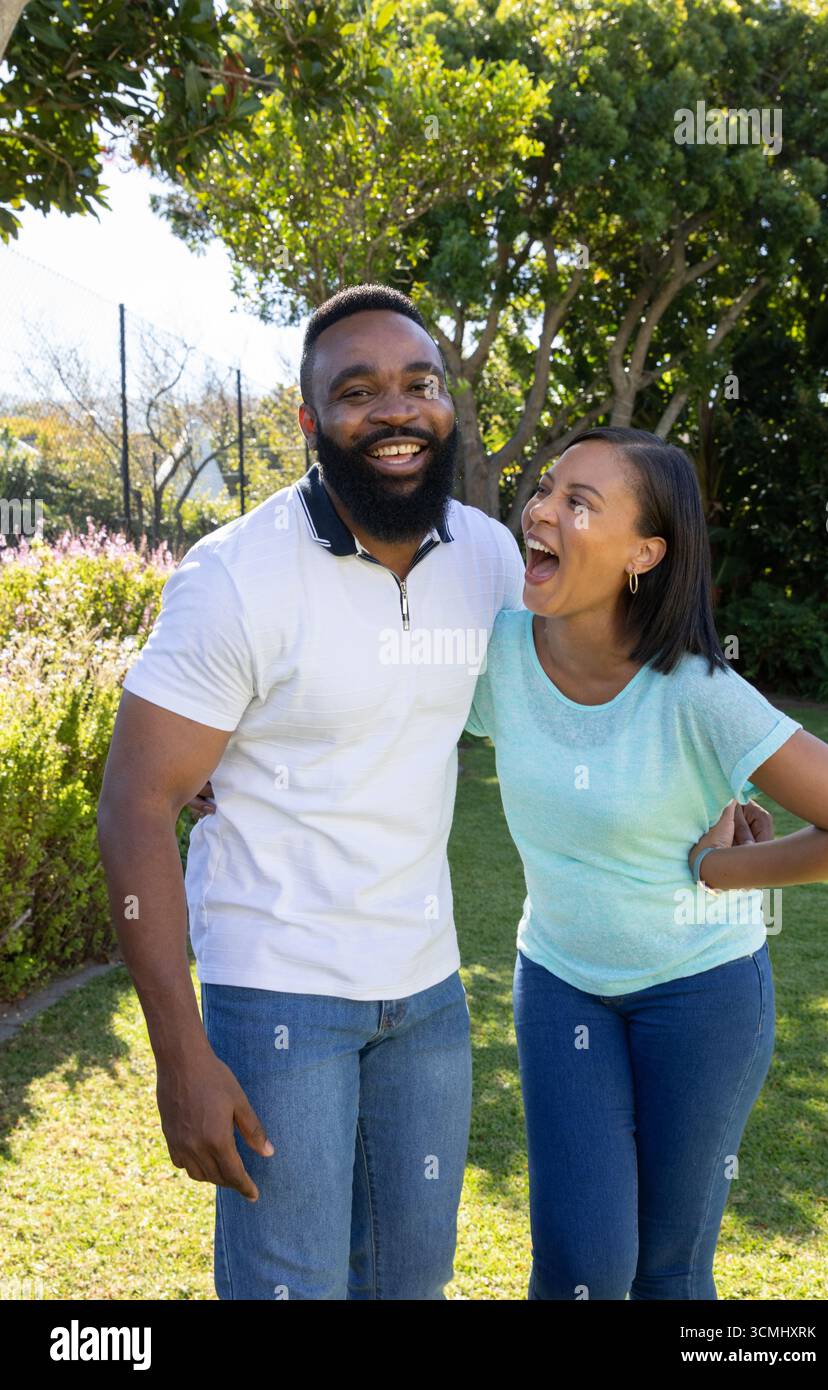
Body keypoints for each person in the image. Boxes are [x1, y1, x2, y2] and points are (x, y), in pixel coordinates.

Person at [97, 283, 528, 1300]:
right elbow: (135, 804)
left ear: (446, 406)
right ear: (308, 421)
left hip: (425, 993)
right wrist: (179, 1051)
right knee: (289, 1286)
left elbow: (571, 702)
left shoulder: (488, 556)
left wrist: (715, 786)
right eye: (357, 390)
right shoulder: (236, 577)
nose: (395, 410)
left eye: (418, 384)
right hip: (276, 990)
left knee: (409, 1278)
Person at [462, 425, 828, 1299]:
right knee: (583, 1267)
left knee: (669, 1271)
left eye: (579, 502)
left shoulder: (697, 692)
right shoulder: (493, 654)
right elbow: (372, 714)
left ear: (644, 552)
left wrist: (724, 874)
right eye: (546, 490)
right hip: (563, 983)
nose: (541, 511)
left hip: (702, 994)